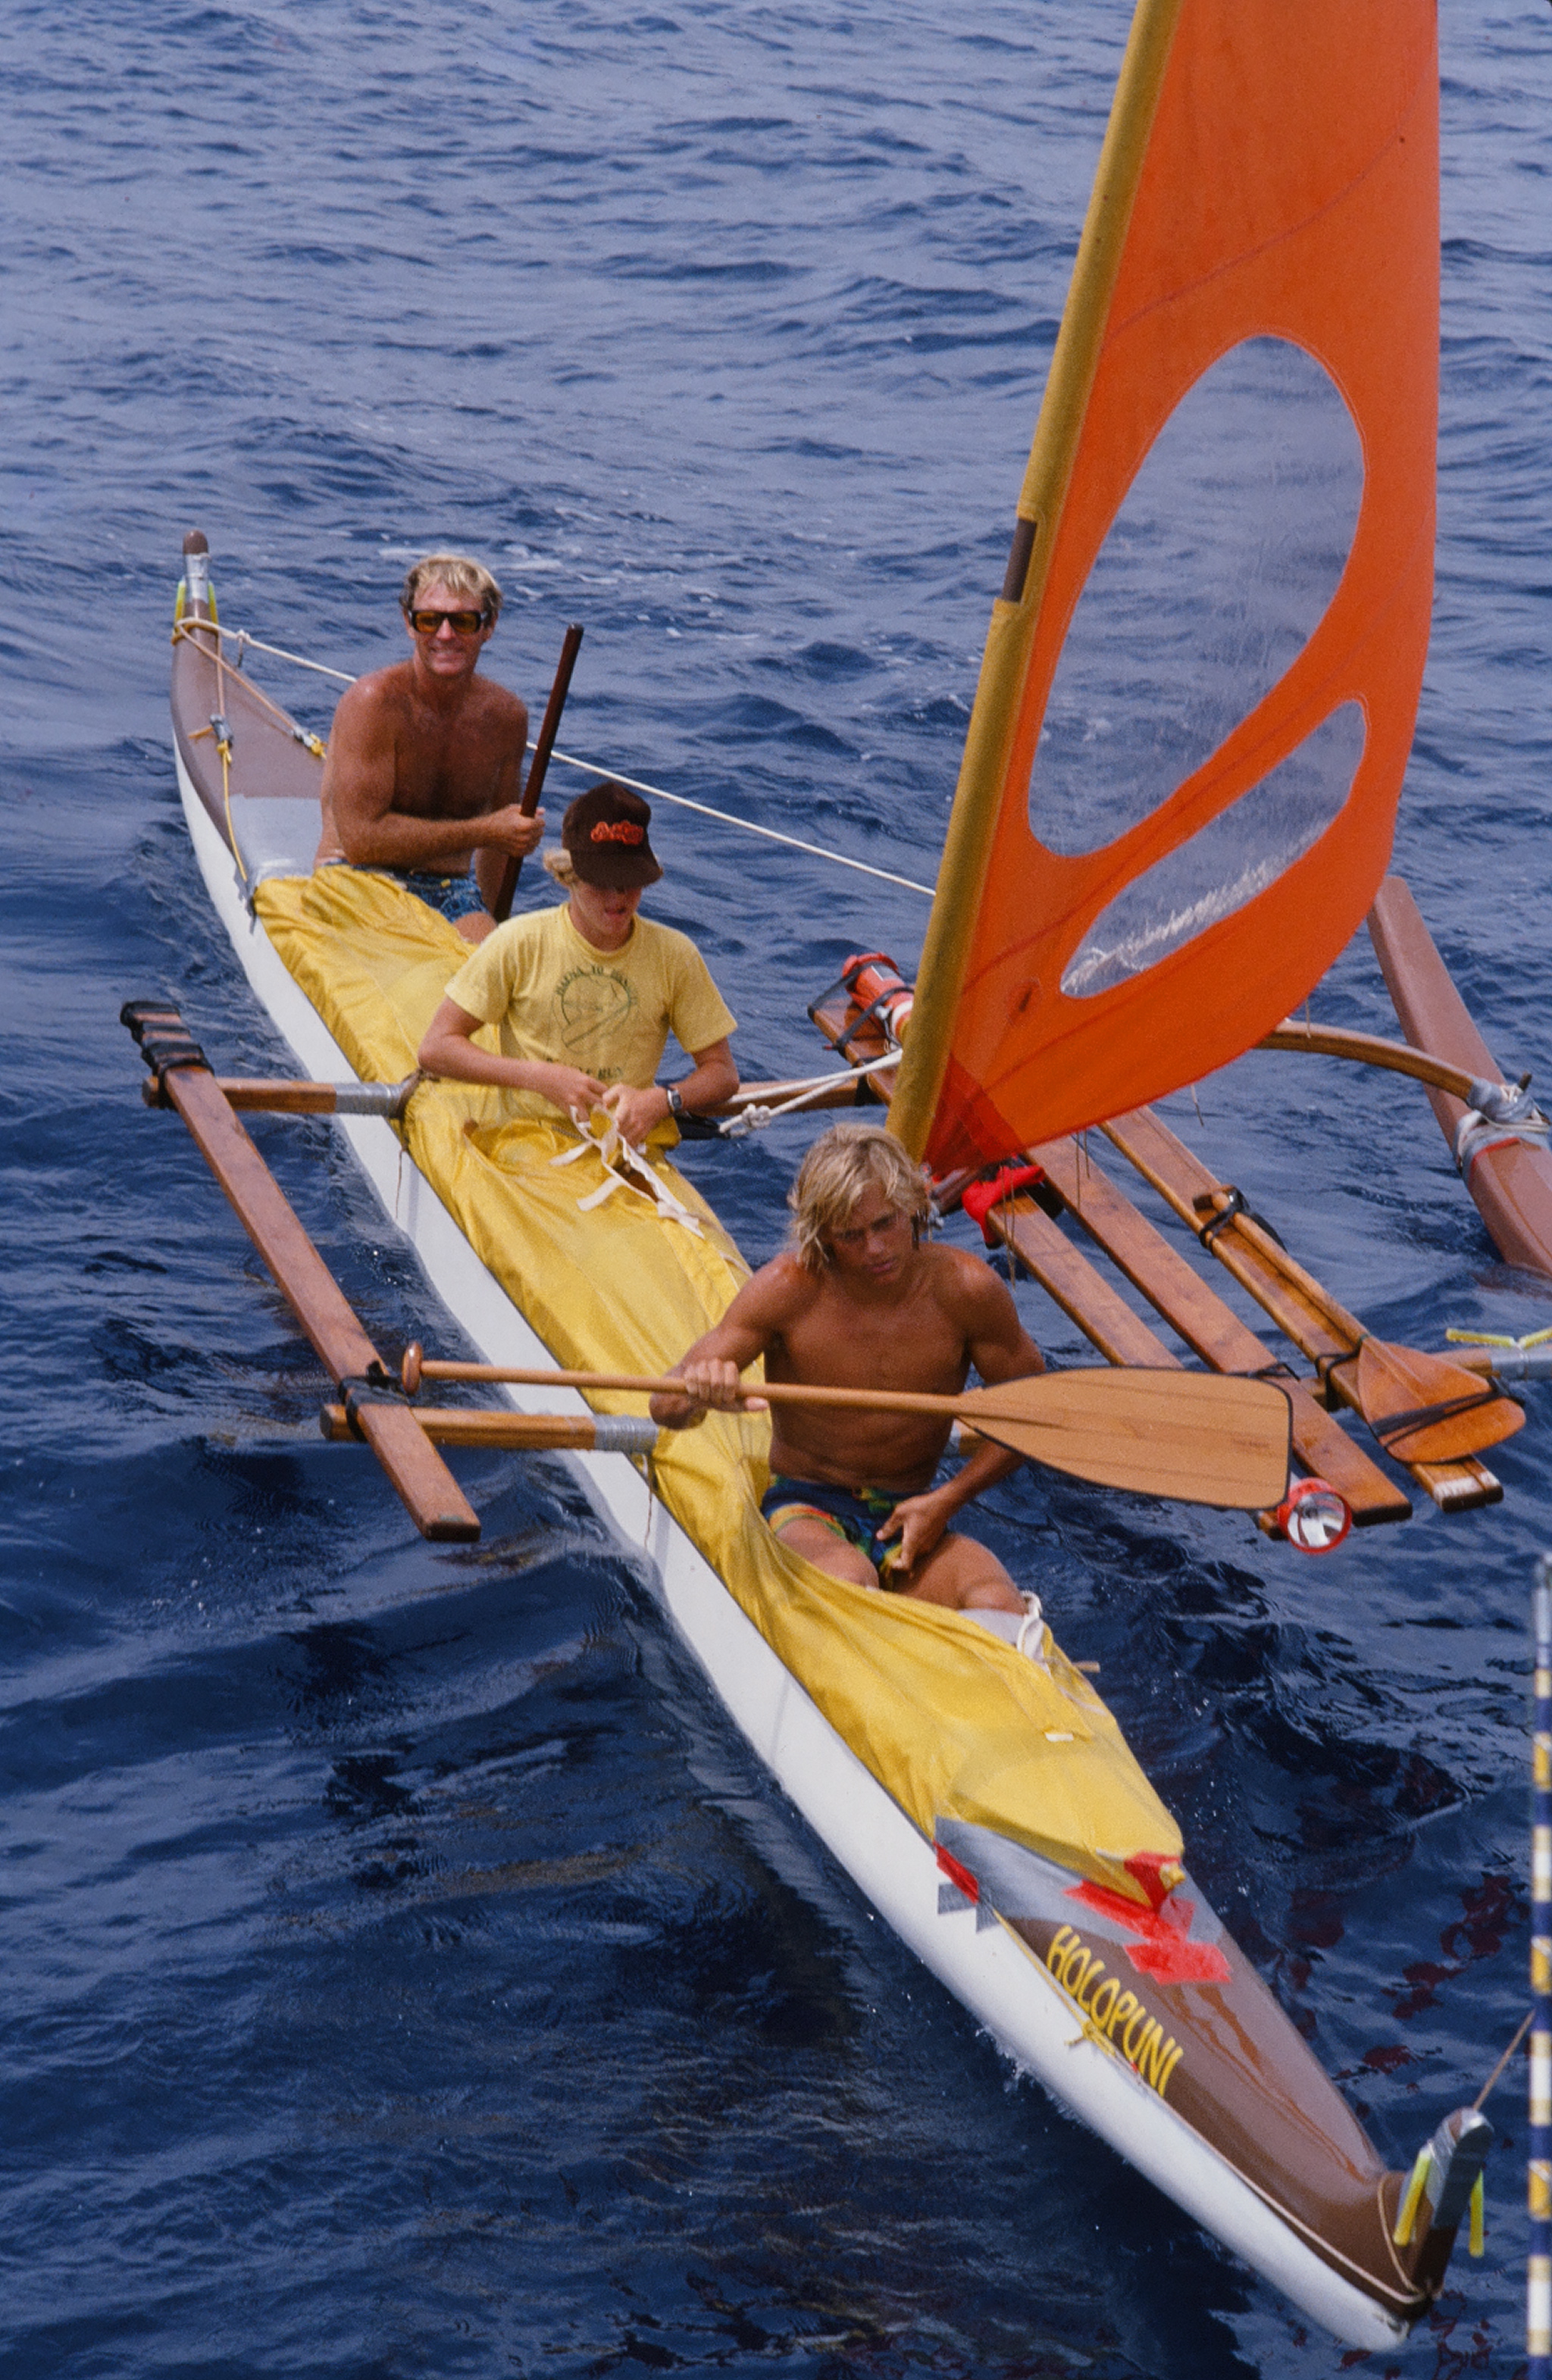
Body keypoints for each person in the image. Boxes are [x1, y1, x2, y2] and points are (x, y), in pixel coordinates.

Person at [649, 1125, 1044, 1612]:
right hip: (808, 1506)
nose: (875, 1249)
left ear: (914, 1205)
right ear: (823, 1235)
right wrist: (697, 1394)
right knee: (852, 1586)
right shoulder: (787, 1289)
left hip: (910, 1510)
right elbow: (663, 1405)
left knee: (997, 1603)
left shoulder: (968, 1291)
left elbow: (1037, 1414)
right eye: (851, 1236)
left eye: (885, 1224)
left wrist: (949, 1499)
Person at [416, 780, 739, 1143]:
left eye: (630, 881)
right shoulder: (518, 942)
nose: (618, 897)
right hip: (527, 1140)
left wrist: (663, 1100)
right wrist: (538, 1077)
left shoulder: (676, 955)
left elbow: (722, 1074)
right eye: (602, 882)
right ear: (568, 875)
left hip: (625, 1147)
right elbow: (436, 1048)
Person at [314, 552, 543, 942]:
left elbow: (499, 848)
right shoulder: (372, 701)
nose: (445, 635)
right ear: (408, 623)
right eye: (429, 619)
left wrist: (496, 936)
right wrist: (487, 830)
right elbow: (362, 840)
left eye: (464, 621)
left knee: (495, 982)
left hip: (451, 891)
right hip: (356, 877)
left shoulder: (507, 717)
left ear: (489, 627)